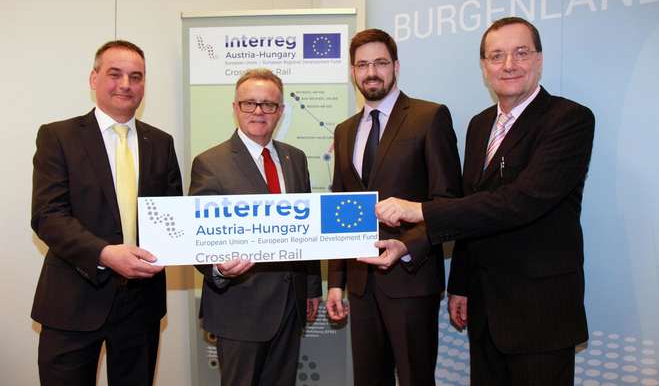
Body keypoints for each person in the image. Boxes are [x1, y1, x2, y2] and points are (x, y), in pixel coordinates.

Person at [375, 17, 594, 386]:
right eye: (497, 56)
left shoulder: (569, 119)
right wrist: (459, 282)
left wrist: (420, 210)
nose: (509, 64)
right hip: (485, 307)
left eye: (520, 53)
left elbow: (520, 201)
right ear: (484, 67)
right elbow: (470, 207)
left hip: (540, 312)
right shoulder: (479, 125)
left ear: (539, 59)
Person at [31, 40, 183, 386]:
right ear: (93, 78)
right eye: (115, 74)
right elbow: (47, 215)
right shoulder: (59, 136)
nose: (126, 84)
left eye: (136, 76)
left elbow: (173, 218)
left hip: (141, 305)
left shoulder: (161, 143)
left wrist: (217, 259)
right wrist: (104, 253)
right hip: (73, 301)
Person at [325, 28, 462, 386]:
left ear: (396, 66)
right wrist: (336, 282)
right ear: (353, 72)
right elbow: (341, 207)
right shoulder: (344, 130)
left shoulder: (429, 117)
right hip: (361, 283)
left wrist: (407, 246)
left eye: (381, 62)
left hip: (411, 279)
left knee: (416, 379)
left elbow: (448, 202)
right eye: (363, 64)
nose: (372, 71)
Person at [189, 68, 322, 386]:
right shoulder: (210, 163)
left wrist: (312, 287)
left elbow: (307, 229)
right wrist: (219, 270)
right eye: (250, 103)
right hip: (239, 309)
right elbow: (198, 237)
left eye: (269, 105)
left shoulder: (296, 159)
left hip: (290, 305)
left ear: (281, 112)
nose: (259, 111)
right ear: (235, 108)